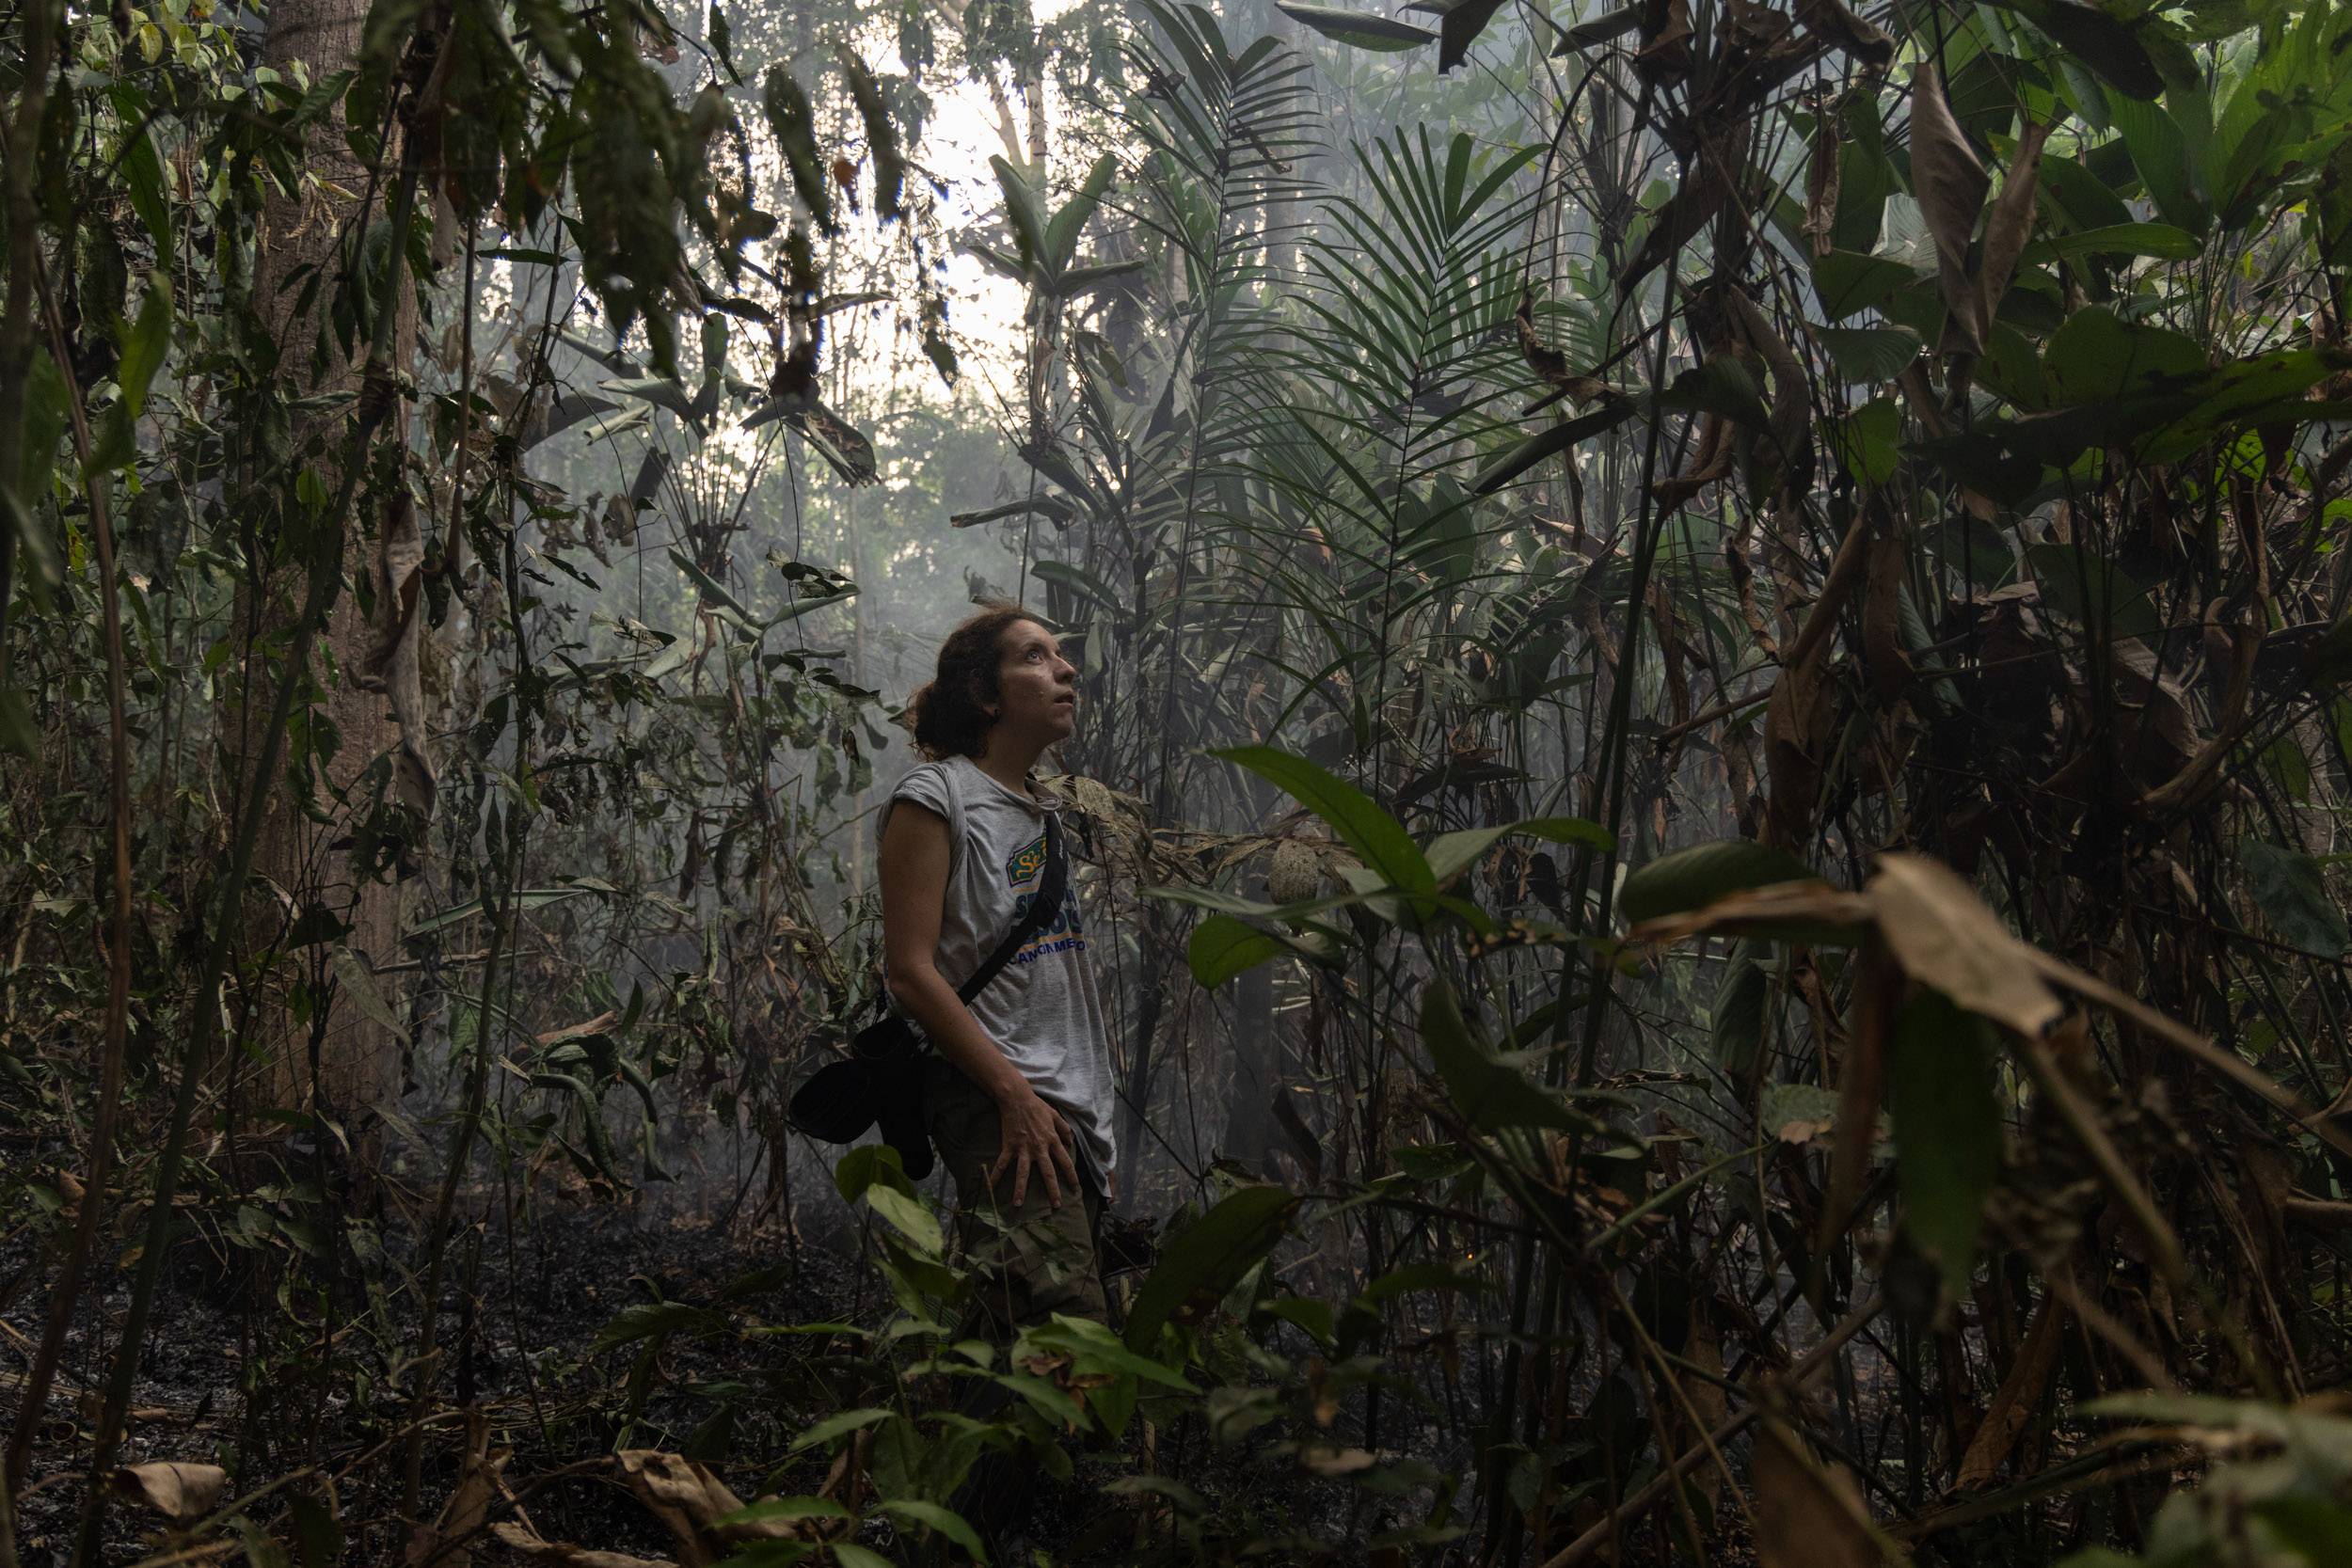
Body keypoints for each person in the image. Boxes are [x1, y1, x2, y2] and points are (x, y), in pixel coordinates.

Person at [878, 604, 1119, 1339]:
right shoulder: (937, 797)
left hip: (1064, 1109)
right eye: (1036, 656)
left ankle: (968, 1453)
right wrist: (1013, 1093)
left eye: (1060, 654)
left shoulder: (1042, 811)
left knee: (1017, 1332)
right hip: (1000, 1095)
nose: (1066, 669)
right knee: (1062, 1339)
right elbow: (910, 972)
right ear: (986, 694)